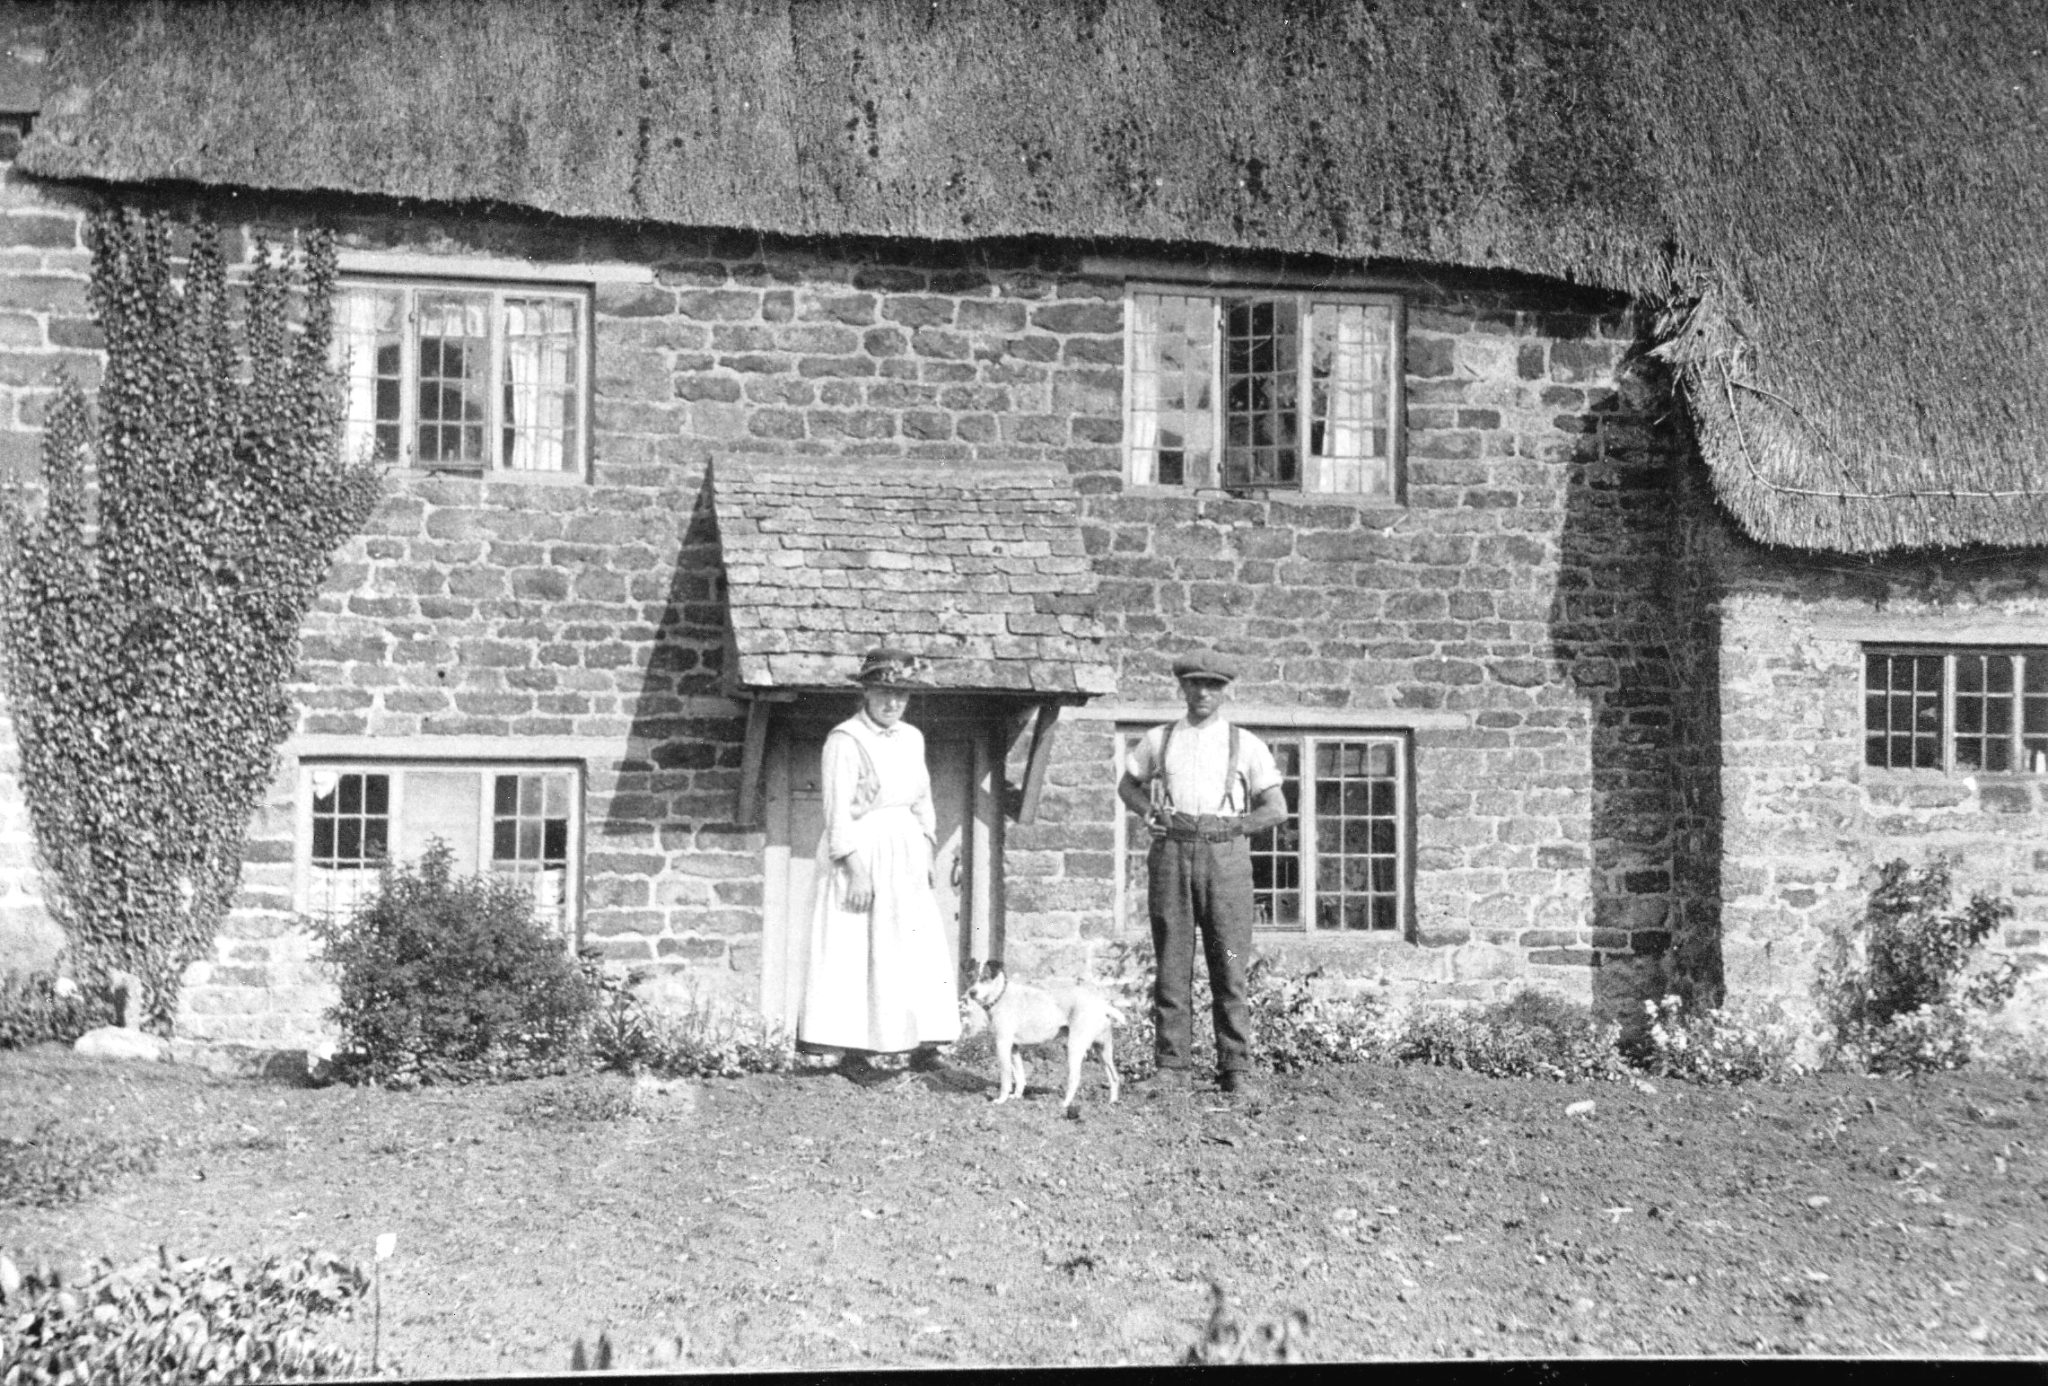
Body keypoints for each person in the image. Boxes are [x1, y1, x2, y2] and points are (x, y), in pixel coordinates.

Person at [1116, 649, 1288, 1097]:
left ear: (1225, 691)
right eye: (1194, 684)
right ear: (1183, 687)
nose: (1203, 693)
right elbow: (1127, 784)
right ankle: (1172, 1068)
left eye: (1212, 685)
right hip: (1173, 852)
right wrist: (1146, 811)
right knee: (1172, 960)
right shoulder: (1160, 739)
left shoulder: (1245, 743)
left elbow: (1275, 809)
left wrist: (1236, 826)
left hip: (1226, 860)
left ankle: (1236, 1070)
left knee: (1228, 962)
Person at [797, 645, 961, 1074]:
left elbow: (923, 800)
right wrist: (855, 869)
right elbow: (836, 812)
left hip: (906, 850)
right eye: (883, 692)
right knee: (859, 944)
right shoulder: (846, 739)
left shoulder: (912, 737)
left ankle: (922, 1041)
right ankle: (853, 1050)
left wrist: (927, 848)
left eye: (902, 695)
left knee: (911, 942)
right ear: (865, 693)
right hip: (862, 847)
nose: (892, 702)